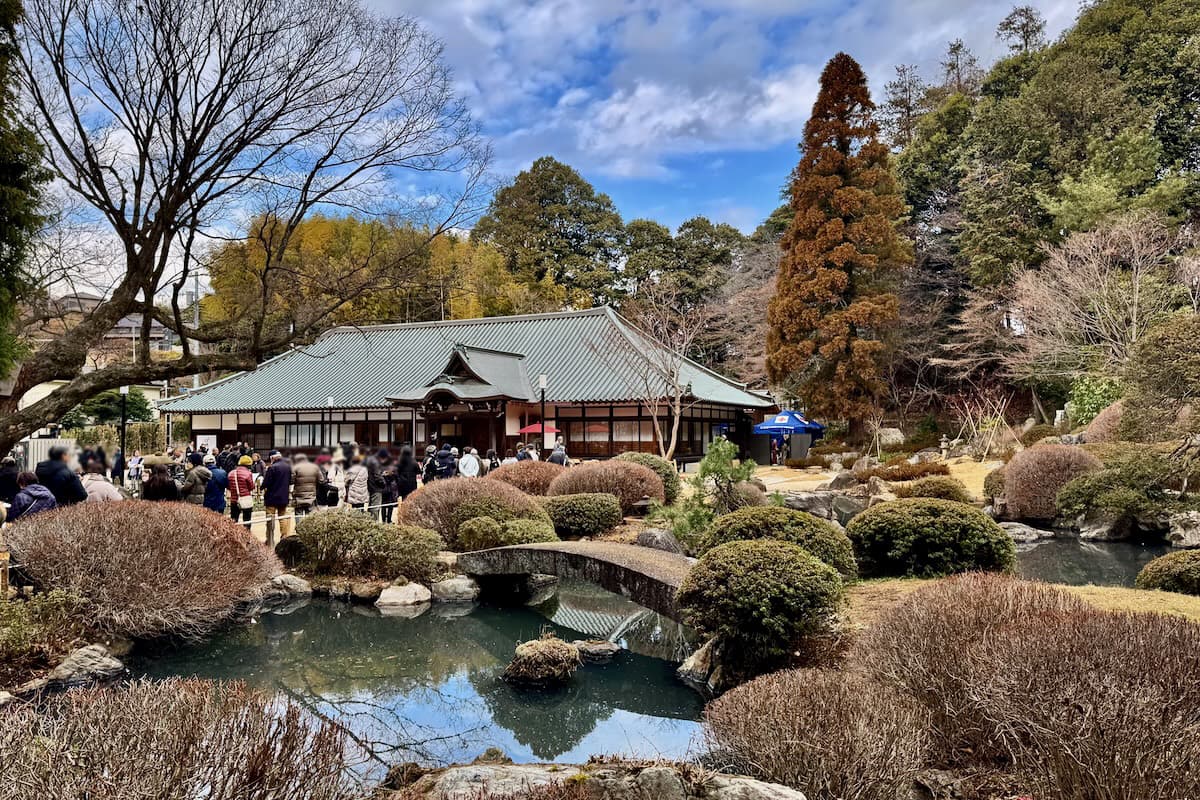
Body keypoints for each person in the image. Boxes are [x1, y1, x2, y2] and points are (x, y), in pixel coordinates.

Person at [262, 450, 292, 545]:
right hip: (283, 497)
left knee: (270, 519)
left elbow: (266, 483)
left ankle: (270, 540)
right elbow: (290, 481)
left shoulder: (272, 468)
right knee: (282, 517)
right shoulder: (288, 467)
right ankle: (284, 538)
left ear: (272, 458)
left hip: (271, 497)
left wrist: (262, 487)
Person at [290, 452, 325, 521]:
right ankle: (308, 530)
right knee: (310, 515)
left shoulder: (295, 468)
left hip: (298, 497)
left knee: (298, 514)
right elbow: (321, 480)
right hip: (311, 496)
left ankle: (299, 530)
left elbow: (291, 481)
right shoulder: (315, 467)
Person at [229, 455, 256, 528]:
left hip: (234, 499)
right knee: (247, 519)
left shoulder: (231, 473)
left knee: (234, 520)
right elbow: (251, 487)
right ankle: (246, 535)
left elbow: (229, 486)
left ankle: (233, 535)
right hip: (245, 499)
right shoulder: (248, 473)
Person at [365, 448, 387, 520]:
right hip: (376, 488)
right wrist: (384, 483)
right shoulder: (376, 463)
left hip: (371, 486)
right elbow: (377, 476)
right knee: (375, 507)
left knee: (371, 506)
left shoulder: (370, 461)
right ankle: (374, 523)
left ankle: (369, 521)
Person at [379, 454, 399, 523]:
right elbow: (396, 478)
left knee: (383, 505)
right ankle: (389, 520)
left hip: (383, 489)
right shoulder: (393, 469)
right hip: (391, 489)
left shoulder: (380, 468)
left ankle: (384, 520)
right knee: (390, 505)